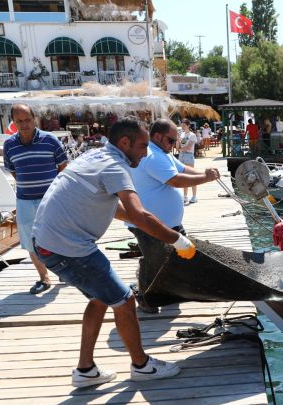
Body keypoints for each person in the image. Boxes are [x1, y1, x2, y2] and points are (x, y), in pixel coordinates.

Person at [32, 116, 196, 388]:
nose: (145, 153)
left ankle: (85, 370)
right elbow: (139, 214)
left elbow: (119, 209)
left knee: (100, 298)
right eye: (143, 146)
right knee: (124, 299)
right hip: (68, 247)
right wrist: (177, 240)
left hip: (48, 242)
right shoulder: (115, 166)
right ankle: (141, 366)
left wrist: (138, 219)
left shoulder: (95, 156)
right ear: (124, 142)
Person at [129, 118, 220, 312]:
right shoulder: (151, 156)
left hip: (167, 222)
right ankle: (143, 296)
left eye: (175, 141)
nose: (174, 145)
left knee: (180, 255)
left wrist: (204, 172)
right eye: (171, 140)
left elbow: (181, 168)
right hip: (147, 222)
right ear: (158, 136)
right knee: (155, 259)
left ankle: (169, 289)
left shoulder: (162, 152)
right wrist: (205, 178)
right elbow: (174, 180)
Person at [3, 103, 68, 295]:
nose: (24, 124)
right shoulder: (9, 145)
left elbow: (63, 168)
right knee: (31, 242)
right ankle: (44, 278)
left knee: (58, 237)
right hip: (24, 201)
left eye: (27, 120)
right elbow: (14, 171)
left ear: (35, 119)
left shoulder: (50, 141)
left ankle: (64, 272)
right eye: (19, 121)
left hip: (50, 200)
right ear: (13, 123)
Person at [177, 118, 198, 204]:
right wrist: (178, 139)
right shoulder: (181, 134)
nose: (182, 126)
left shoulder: (192, 135)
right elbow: (177, 146)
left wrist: (179, 148)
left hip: (188, 155)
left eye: (184, 125)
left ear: (188, 125)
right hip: (181, 155)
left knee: (191, 176)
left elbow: (189, 147)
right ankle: (185, 196)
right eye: (182, 124)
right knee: (183, 176)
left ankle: (194, 196)